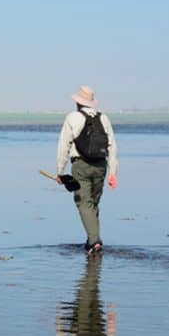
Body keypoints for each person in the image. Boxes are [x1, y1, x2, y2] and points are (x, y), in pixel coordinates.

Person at [55, 85, 118, 254]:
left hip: (81, 166)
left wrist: (60, 171)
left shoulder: (72, 117)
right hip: (101, 166)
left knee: (84, 203)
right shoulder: (103, 118)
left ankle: (94, 242)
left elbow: (64, 146)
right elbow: (112, 146)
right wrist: (113, 172)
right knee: (93, 204)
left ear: (77, 102)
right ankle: (92, 239)